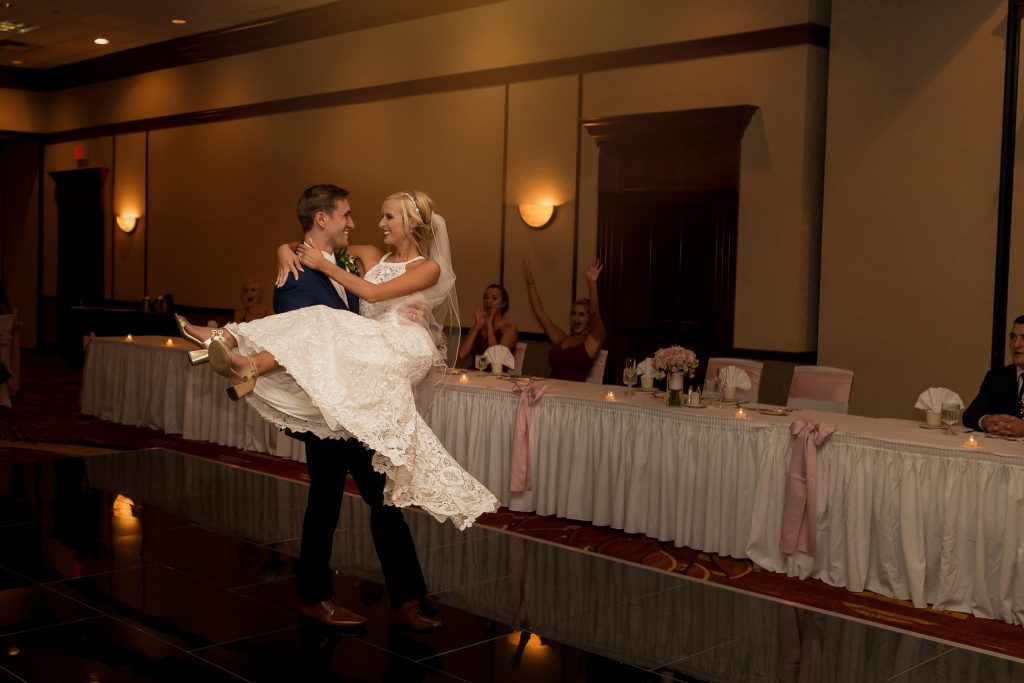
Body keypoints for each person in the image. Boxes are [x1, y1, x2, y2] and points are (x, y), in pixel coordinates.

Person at [521, 258, 605, 382]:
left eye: (581, 315)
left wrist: (592, 283)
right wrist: (530, 283)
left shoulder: (593, 341)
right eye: (573, 313)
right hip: (550, 390)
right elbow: (540, 313)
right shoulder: (562, 338)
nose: (576, 318)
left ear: (589, 319)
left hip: (572, 395)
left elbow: (594, 312)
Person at [963, 314, 1024, 437]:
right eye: (1013, 337)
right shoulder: (997, 377)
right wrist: (985, 422)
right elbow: (970, 415)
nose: (1016, 344)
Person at [457, 283, 518, 371]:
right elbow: (462, 354)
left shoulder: (510, 329)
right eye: (486, 297)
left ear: (503, 304)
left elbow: (497, 358)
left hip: (496, 376)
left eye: (494, 298)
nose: (488, 301)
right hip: (475, 375)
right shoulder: (478, 325)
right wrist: (477, 328)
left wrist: (489, 327)